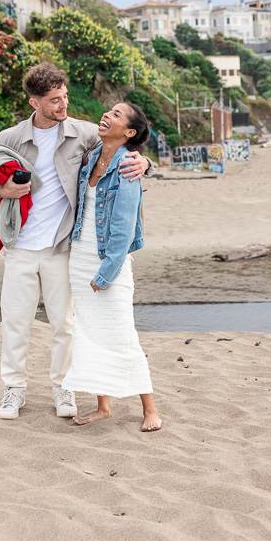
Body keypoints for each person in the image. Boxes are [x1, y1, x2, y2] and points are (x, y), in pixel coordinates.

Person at [0, 65, 151, 420]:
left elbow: (122, 149)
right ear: (34, 102)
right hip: (19, 245)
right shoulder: (10, 138)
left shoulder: (83, 133)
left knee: (63, 325)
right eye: (54, 100)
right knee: (15, 321)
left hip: (62, 247)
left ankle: (62, 387)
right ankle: (13, 389)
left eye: (65, 96)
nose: (63, 104)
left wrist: (145, 162)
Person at [61, 102, 162, 431]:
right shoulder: (91, 156)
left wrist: (107, 272)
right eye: (109, 111)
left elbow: (123, 228)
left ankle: (150, 409)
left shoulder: (128, 166)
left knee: (121, 334)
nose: (106, 116)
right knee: (90, 334)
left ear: (129, 132)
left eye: (116, 115)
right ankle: (103, 407)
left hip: (108, 259)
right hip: (80, 254)